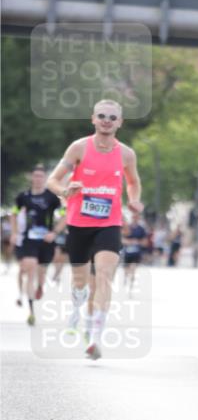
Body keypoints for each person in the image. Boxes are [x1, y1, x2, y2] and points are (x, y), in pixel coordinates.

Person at [46, 99, 143, 359]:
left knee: (104, 275)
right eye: (102, 116)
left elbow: (133, 183)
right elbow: (52, 180)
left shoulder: (126, 154)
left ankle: (95, 335)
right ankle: (77, 308)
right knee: (80, 283)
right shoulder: (78, 148)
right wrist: (65, 191)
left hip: (109, 223)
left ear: (119, 122)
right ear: (93, 119)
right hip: (78, 223)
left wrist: (134, 201)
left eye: (112, 117)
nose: (106, 120)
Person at [10, 165, 64, 325]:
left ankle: (40, 286)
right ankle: (31, 311)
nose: (38, 179)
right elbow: (13, 214)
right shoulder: (23, 197)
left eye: (41, 176)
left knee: (41, 272)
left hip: (46, 241)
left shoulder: (52, 197)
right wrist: (14, 232)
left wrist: (54, 232)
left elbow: (65, 216)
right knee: (30, 267)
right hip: (29, 239)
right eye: (36, 176)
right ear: (31, 178)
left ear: (45, 178)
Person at [122, 212, 149, 290]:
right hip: (127, 252)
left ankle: (131, 283)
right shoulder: (127, 227)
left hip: (136, 252)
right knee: (126, 269)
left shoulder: (141, 229)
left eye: (136, 217)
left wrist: (137, 242)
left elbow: (145, 242)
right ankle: (126, 279)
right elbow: (121, 239)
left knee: (133, 268)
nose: (135, 219)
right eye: (134, 217)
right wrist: (130, 242)